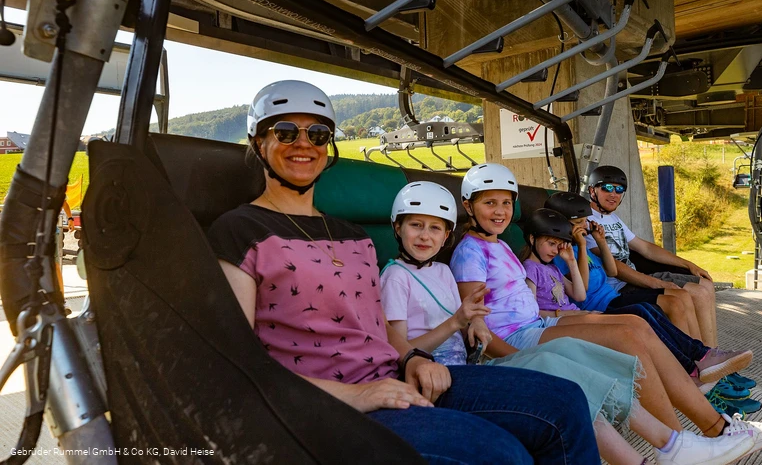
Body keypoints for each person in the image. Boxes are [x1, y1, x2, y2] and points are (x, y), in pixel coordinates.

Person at [206, 80, 603, 464]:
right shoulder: (241, 231)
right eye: (286, 132)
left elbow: (378, 325)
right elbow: (237, 361)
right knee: (499, 453)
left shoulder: (353, 236)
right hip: (327, 403)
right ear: (258, 142)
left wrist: (412, 358)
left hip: (398, 376)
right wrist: (358, 396)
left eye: (318, 133)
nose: (304, 144)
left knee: (563, 402)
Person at [381, 181, 756, 465]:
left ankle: (686, 437)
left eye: (434, 228)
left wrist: (479, 324)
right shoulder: (421, 270)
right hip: (477, 360)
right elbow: (410, 341)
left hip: (511, 338)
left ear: (447, 232)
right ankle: (682, 440)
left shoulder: (455, 266)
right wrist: (480, 334)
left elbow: (475, 320)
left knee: (608, 339)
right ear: (397, 228)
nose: (425, 236)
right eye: (416, 226)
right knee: (602, 347)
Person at [450, 163, 762, 458]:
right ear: (468, 206)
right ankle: (692, 441)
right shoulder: (471, 253)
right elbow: (476, 322)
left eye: (506, 203)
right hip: (516, 341)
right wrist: (520, 357)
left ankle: (713, 430)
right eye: (489, 203)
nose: (499, 211)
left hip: (536, 325)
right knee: (627, 332)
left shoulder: (501, 247)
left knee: (635, 324)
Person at [521, 207, 751, 386]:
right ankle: (693, 366)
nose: (556, 248)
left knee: (649, 310)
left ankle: (702, 358)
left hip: (592, 307)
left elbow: (583, 289)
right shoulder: (534, 268)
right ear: (532, 239)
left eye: (558, 243)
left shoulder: (554, 264)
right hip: (587, 311)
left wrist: (579, 253)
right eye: (552, 243)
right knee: (642, 312)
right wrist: (577, 252)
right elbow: (539, 310)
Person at [586, 165, 720, 348]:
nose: (613, 194)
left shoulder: (614, 219)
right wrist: (657, 283)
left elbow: (645, 248)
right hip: (621, 286)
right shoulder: (586, 220)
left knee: (705, 285)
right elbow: (614, 267)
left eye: (619, 190)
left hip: (636, 277)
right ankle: (705, 356)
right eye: (607, 188)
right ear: (592, 190)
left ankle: (713, 353)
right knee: (697, 293)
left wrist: (688, 264)